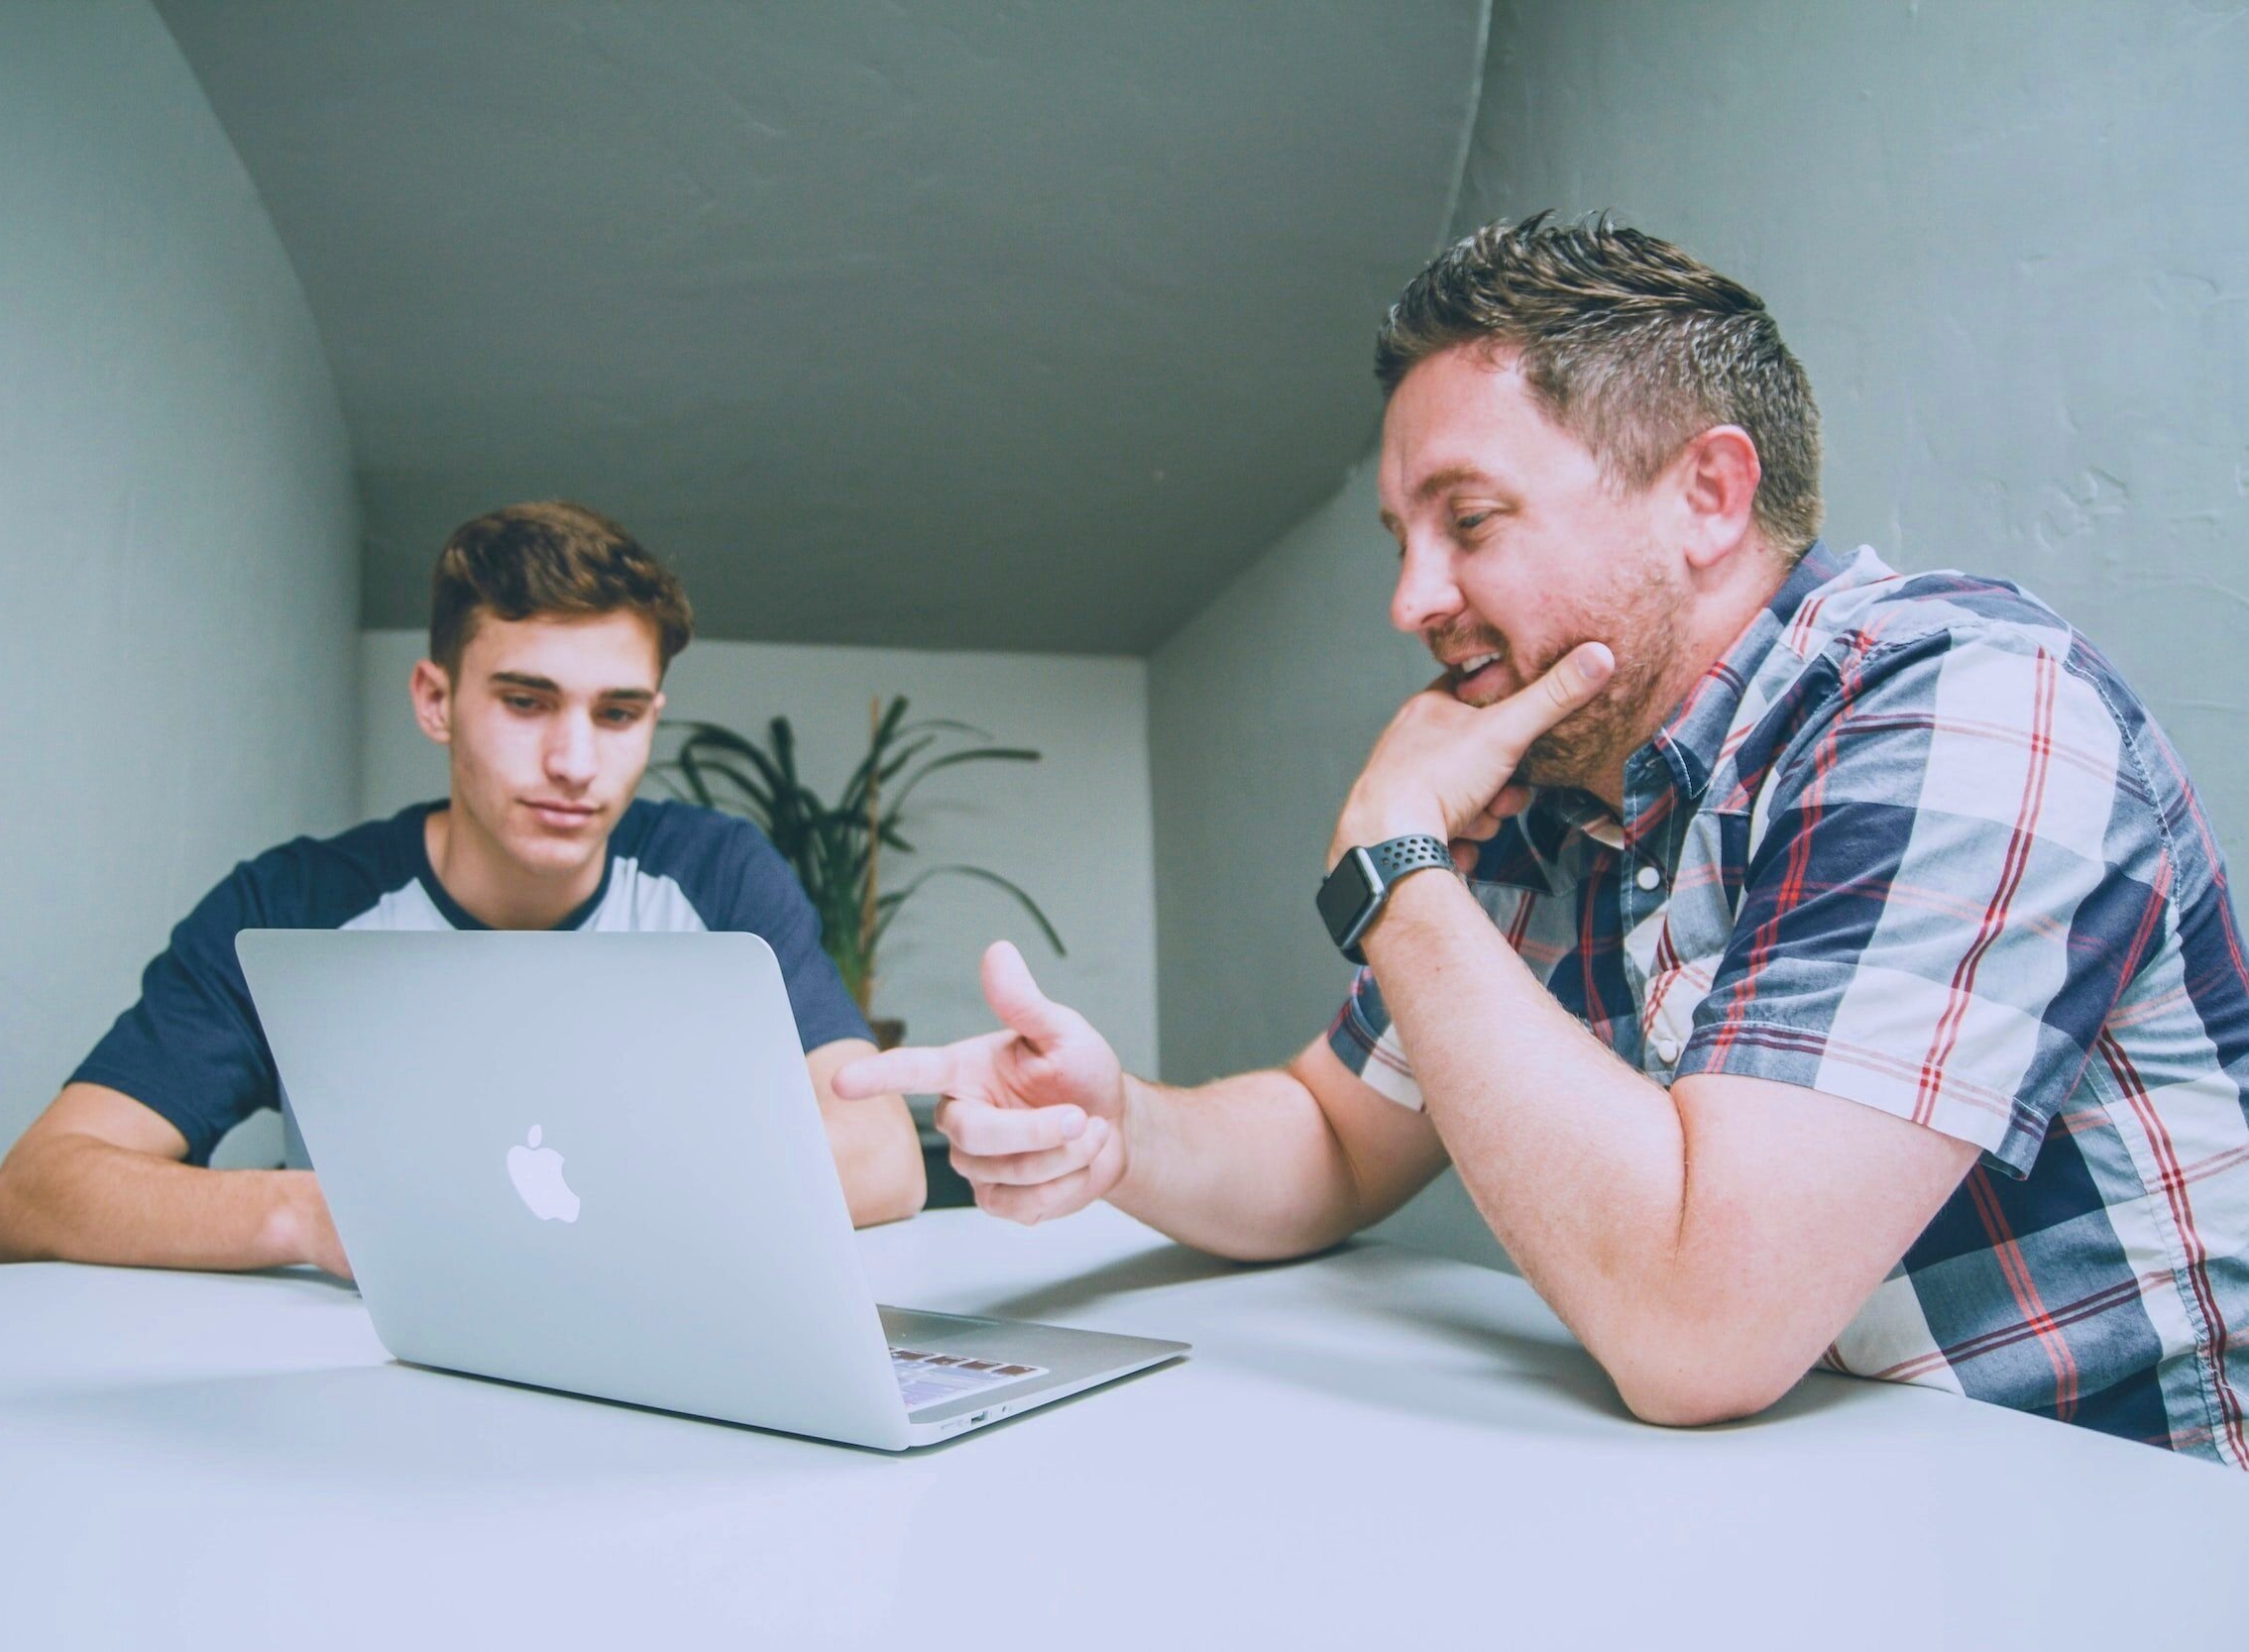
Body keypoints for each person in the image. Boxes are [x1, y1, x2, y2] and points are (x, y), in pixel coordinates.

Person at [840, 215, 2249, 1465]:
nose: (1411, 598)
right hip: (1803, 1506)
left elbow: (1701, 1326)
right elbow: (1333, 1134)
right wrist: (1120, 1127)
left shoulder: (1966, 705)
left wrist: (1394, 859)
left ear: (1708, 494)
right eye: (1401, 537)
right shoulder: (1562, 785)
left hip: (2124, 1529)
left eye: (1469, 520)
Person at [0, 500, 924, 1275]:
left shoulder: (717, 875)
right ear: (437, 700)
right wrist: (316, 1214)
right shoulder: (292, 906)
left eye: (618, 713)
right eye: (526, 701)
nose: (574, 761)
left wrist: (560, 1201)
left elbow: (884, 1157)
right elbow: (31, 1195)